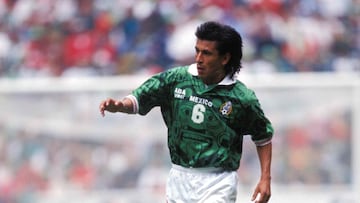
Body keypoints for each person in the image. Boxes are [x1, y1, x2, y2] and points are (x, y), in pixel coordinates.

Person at [99, 21, 273, 203]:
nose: (198, 58)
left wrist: (265, 178)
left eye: (206, 53)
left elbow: (263, 136)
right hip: (179, 177)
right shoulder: (176, 79)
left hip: (218, 181)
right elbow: (139, 98)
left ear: (225, 58)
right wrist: (120, 105)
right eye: (197, 50)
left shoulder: (241, 97)